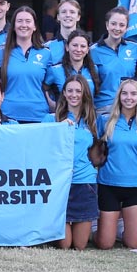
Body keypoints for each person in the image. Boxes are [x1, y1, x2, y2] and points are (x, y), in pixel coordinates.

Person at [95, 78, 137, 250]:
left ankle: (120, 228)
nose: (129, 97)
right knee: (105, 244)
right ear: (119, 96)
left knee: (134, 243)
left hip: (135, 186)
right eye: (125, 93)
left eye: (134, 93)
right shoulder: (105, 120)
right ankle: (97, 228)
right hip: (108, 184)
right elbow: (94, 147)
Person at [56, 75, 103, 249]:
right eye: (70, 90)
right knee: (65, 245)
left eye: (78, 91)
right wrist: (59, 128)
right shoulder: (52, 119)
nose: (74, 95)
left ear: (84, 94)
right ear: (64, 93)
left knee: (80, 246)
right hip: (62, 184)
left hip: (85, 183)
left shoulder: (93, 121)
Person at [0, 6, 52, 123]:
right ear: (13, 26)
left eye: (28, 21)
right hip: (8, 115)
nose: (23, 25)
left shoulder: (46, 53)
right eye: (19, 21)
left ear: (34, 26)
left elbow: (48, 84)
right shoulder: (0, 51)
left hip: (38, 115)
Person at [91, 7, 137, 114]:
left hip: (129, 105)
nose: (117, 28)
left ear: (127, 28)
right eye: (113, 23)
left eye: (122, 25)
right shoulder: (93, 50)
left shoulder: (134, 47)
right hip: (104, 107)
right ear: (107, 25)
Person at [45, 30, 98, 111]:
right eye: (75, 45)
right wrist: (50, 103)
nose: (78, 49)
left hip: (88, 118)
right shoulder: (55, 70)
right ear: (67, 47)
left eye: (83, 46)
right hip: (64, 118)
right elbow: (44, 87)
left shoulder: (94, 69)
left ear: (88, 49)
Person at [45, 0, 83, 64]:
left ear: (78, 17)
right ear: (58, 17)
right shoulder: (47, 48)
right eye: (64, 12)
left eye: (72, 12)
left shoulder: (88, 48)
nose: (68, 15)